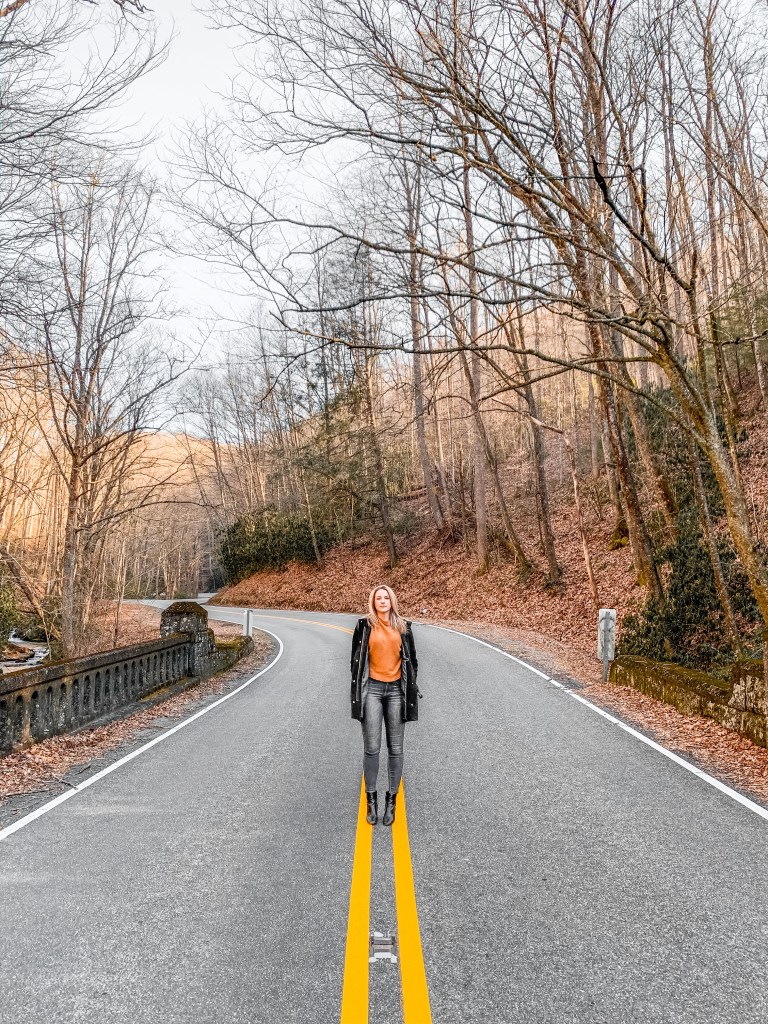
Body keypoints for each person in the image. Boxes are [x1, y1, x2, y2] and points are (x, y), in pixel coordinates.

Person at [350, 584, 419, 826]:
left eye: (386, 597)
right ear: (373, 602)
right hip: (373, 691)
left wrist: (408, 690)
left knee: (396, 748)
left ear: (392, 601)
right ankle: (371, 801)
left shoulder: (404, 627)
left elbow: (413, 664)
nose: (382, 601)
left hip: (396, 692)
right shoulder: (364, 626)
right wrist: (358, 694)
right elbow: (355, 664)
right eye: (378, 598)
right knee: (372, 747)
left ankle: (392, 800)